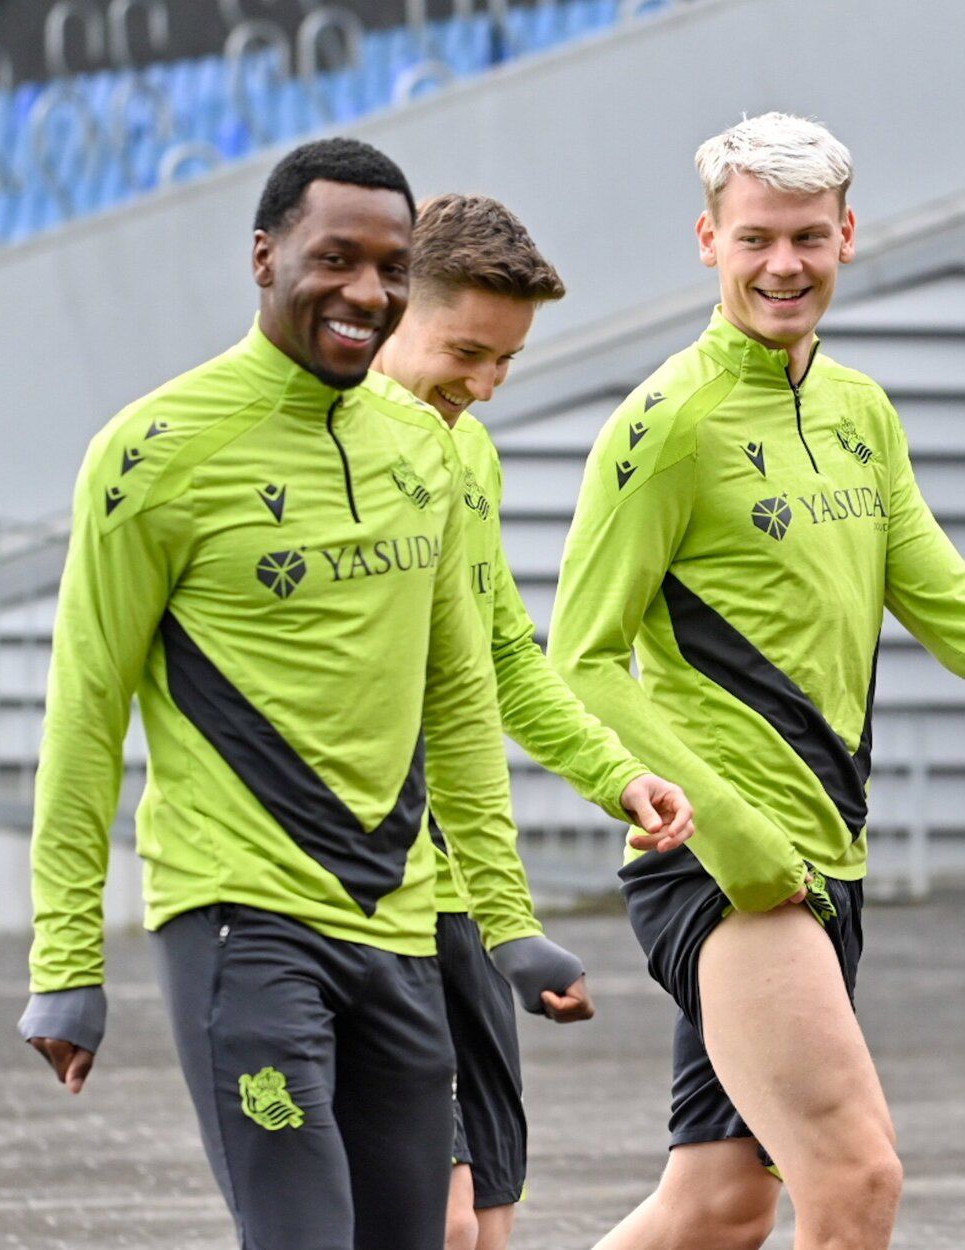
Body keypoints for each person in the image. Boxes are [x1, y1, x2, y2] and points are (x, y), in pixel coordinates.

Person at [548, 112, 965, 1250]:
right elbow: (580, 663)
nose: (783, 265)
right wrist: (731, 835)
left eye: (807, 237)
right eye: (755, 238)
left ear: (846, 235)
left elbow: (950, 606)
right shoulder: (666, 424)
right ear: (709, 241)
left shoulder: (861, 411)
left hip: (828, 853)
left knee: (717, 1206)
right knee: (856, 1178)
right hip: (727, 868)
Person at [16, 138, 603, 1250]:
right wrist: (66, 962)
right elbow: (86, 709)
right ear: (265, 256)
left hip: (398, 929)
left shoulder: (425, 452)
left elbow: (460, 702)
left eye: (391, 268)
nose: (366, 293)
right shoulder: (151, 453)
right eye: (337, 259)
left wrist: (510, 923)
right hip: (241, 923)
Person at [369, 191, 694, 1250]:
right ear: (388, 310)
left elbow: (505, 656)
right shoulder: (319, 457)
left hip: (466, 895)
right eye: (466, 353)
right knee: (442, 1221)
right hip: (364, 900)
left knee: (491, 1221)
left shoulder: (470, 454)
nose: (484, 385)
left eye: (505, 360)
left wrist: (617, 776)